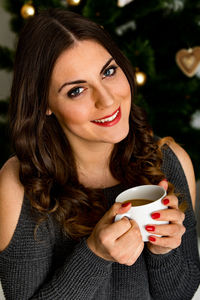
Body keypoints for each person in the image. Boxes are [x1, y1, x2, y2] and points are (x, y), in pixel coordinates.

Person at [0, 8, 199, 300]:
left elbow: (182, 294)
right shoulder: (19, 184)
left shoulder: (169, 160)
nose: (107, 99)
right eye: (76, 90)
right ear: (44, 104)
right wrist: (95, 254)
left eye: (108, 72)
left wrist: (164, 251)